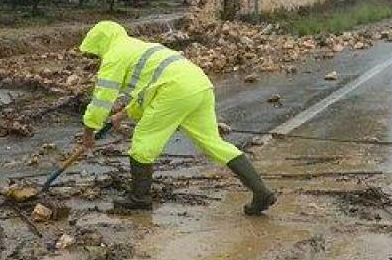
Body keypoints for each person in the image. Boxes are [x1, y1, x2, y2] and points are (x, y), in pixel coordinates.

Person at [77, 21, 276, 215]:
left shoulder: (114, 56)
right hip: (199, 85)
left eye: (96, 52)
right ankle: (261, 191)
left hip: (174, 90)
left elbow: (101, 100)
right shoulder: (138, 47)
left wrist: (88, 132)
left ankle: (139, 199)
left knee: (143, 144)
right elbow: (148, 90)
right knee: (214, 143)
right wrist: (122, 114)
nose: (97, 57)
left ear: (101, 43)